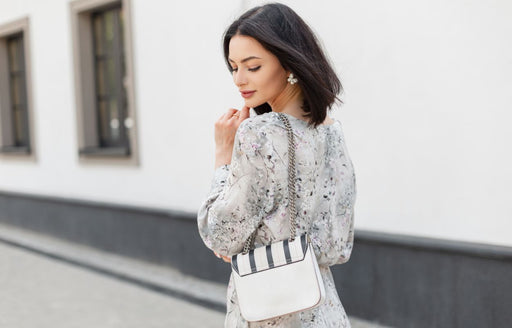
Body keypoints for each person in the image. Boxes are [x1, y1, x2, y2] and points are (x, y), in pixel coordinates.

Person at [197, 3, 357, 327]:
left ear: (288, 63)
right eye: (233, 67)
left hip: (268, 314)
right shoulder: (331, 133)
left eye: (252, 66)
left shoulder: (259, 133)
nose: (239, 79)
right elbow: (338, 246)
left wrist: (222, 155)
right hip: (323, 313)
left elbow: (220, 234)